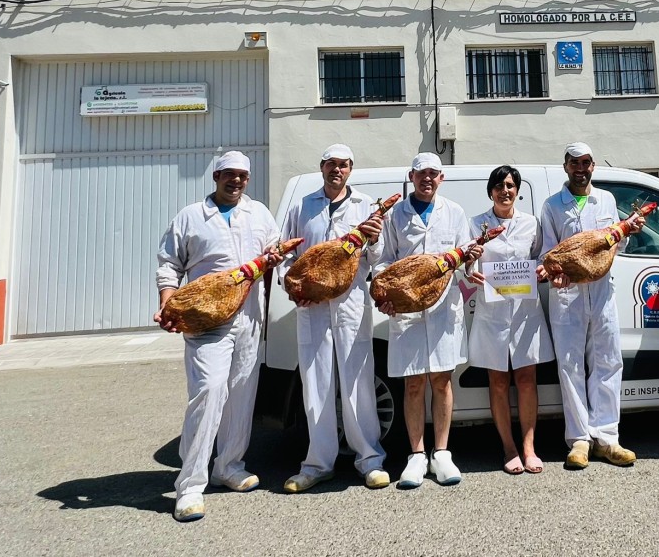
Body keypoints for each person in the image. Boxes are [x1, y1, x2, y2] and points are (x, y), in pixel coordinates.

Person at [153, 150, 280, 523]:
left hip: (250, 318)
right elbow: (168, 263)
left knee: (241, 393)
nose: (235, 181)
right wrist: (168, 302)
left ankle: (229, 465)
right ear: (216, 176)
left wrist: (274, 258)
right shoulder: (191, 216)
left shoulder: (259, 214)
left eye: (242, 175)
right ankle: (190, 486)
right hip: (206, 321)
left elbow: (273, 253)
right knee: (208, 392)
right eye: (229, 174)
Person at [276, 144, 390, 493]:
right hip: (312, 308)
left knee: (358, 380)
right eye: (330, 165)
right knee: (316, 383)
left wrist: (372, 240)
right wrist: (290, 285)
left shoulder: (366, 206)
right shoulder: (303, 206)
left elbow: (376, 259)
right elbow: (285, 255)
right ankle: (317, 463)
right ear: (321, 167)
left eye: (343, 165)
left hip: (351, 304)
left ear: (350, 169)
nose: (336, 170)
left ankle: (369, 459)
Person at [373, 152, 480, 488]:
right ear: (411, 177)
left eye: (434, 174)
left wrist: (472, 262)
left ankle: (442, 453)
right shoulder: (395, 216)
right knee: (413, 383)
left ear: (441, 178)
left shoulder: (455, 213)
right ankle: (417, 455)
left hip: (444, 309)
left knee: (442, 380)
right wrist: (386, 296)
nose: (427, 179)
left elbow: (466, 257)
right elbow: (382, 263)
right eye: (422, 174)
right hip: (406, 312)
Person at [536, 142, 646, 469]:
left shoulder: (607, 200)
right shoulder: (552, 205)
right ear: (566, 166)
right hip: (567, 294)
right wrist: (552, 273)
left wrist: (630, 229)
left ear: (593, 166)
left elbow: (615, 243)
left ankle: (607, 437)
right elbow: (547, 252)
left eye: (586, 163)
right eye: (574, 163)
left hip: (601, 291)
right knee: (570, 366)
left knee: (608, 360)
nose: (580, 169)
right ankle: (580, 439)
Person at [467, 165, 555, 475]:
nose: (505, 190)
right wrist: (470, 270)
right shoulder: (477, 224)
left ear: (517, 190)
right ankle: (508, 448)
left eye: (510, 185)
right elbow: (469, 263)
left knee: (527, 381)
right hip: (492, 315)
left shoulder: (531, 223)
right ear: (490, 191)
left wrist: (543, 270)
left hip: (525, 314)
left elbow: (542, 257)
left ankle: (530, 448)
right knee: (499, 383)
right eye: (499, 185)